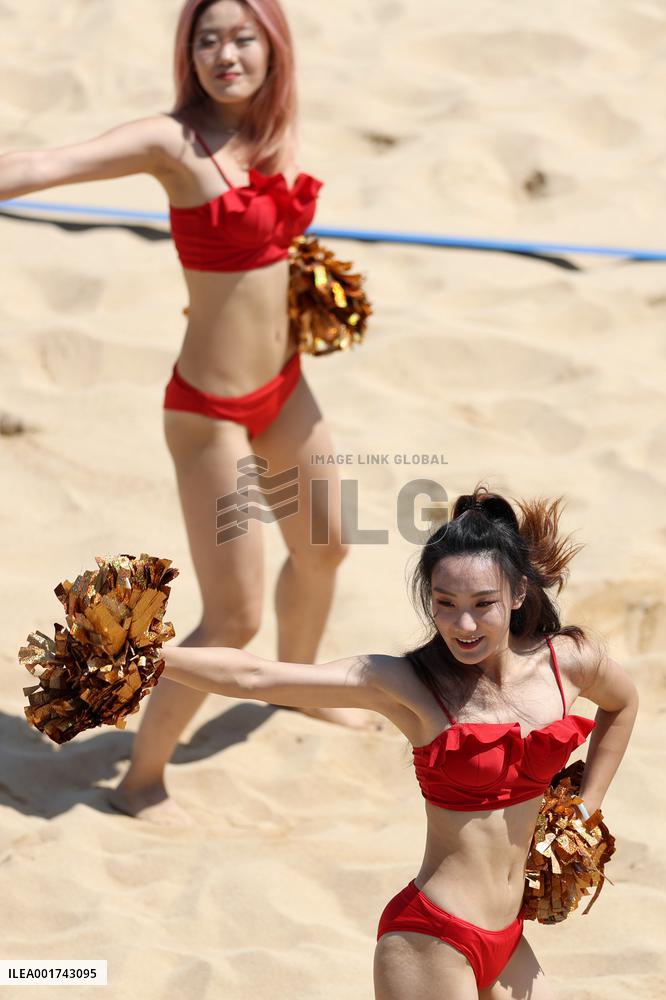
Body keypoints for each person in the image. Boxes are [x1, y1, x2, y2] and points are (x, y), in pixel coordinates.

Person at [0, 0, 372, 824]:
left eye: (242, 37)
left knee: (327, 547)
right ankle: (141, 780)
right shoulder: (173, 143)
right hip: (208, 412)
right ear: (188, 55)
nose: (225, 53)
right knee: (232, 614)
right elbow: (42, 165)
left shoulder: (273, 129)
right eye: (207, 40)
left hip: (284, 386)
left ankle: (298, 688)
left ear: (272, 48)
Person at [153, 487, 638, 998]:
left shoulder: (568, 662)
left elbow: (622, 704)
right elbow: (255, 676)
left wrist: (588, 807)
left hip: (510, 939)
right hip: (433, 939)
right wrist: (146, 654)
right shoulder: (409, 684)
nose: (463, 624)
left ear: (518, 593)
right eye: (445, 604)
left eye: (482, 604)